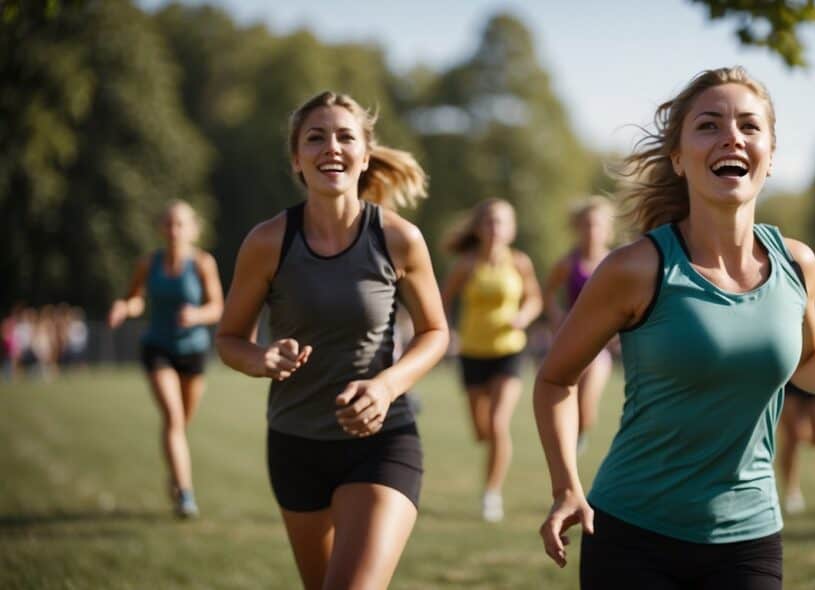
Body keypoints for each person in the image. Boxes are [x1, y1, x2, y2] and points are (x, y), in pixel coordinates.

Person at [532, 66, 815, 589]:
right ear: (678, 158)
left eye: (750, 126)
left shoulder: (797, 264)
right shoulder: (636, 269)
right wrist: (566, 485)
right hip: (633, 534)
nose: (732, 136)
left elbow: (806, 358)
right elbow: (554, 380)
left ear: (770, 156)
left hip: (749, 539)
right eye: (709, 125)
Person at [215, 91, 447, 590]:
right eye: (315, 138)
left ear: (365, 155)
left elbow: (435, 331)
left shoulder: (400, 238)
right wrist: (262, 359)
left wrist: (386, 387)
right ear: (297, 159)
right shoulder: (267, 242)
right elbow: (229, 338)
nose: (331, 148)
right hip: (295, 443)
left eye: (345, 137)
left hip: (383, 442)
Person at [108, 200, 223, 518]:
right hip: (157, 347)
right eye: (169, 224)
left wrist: (197, 314)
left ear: (193, 230)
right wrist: (124, 308)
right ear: (162, 228)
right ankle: (186, 495)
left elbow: (217, 307)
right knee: (173, 419)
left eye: (181, 224)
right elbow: (136, 300)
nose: (174, 230)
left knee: (181, 424)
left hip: (194, 351)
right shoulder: (148, 263)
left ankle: (176, 472)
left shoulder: (202, 263)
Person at [441, 198, 543, 522]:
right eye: (489, 222)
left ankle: (491, 495)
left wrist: (523, 317)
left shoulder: (520, 263)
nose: (495, 229)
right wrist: (448, 334)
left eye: (501, 222)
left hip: (509, 351)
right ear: (479, 228)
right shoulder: (465, 265)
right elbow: (441, 302)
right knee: (481, 431)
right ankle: (490, 467)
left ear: (511, 229)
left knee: (499, 424)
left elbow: (535, 299)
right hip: (472, 353)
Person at [542, 196, 616, 455]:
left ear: (607, 230)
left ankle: (580, 432)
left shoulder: (616, 261)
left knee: (587, 402)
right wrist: (556, 317)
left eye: (596, 225)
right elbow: (548, 293)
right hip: (572, 340)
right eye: (586, 224)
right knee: (565, 395)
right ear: (578, 228)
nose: (591, 230)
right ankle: (567, 438)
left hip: (601, 345)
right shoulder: (567, 263)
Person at [777, 382, 815, 514]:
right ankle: (791, 491)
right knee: (791, 437)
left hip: (814, 375)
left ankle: (798, 435)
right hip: (791, 380)